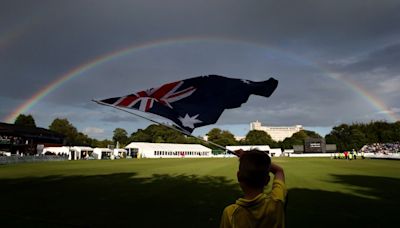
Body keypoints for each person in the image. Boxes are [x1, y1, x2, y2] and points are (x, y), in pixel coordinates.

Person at [220, 150, 287, 228]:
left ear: (238, 176)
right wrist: (251, 158)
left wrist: (247, 158)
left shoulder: (230, 213)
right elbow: (279, 171)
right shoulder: (277, 201)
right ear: (267, 180)